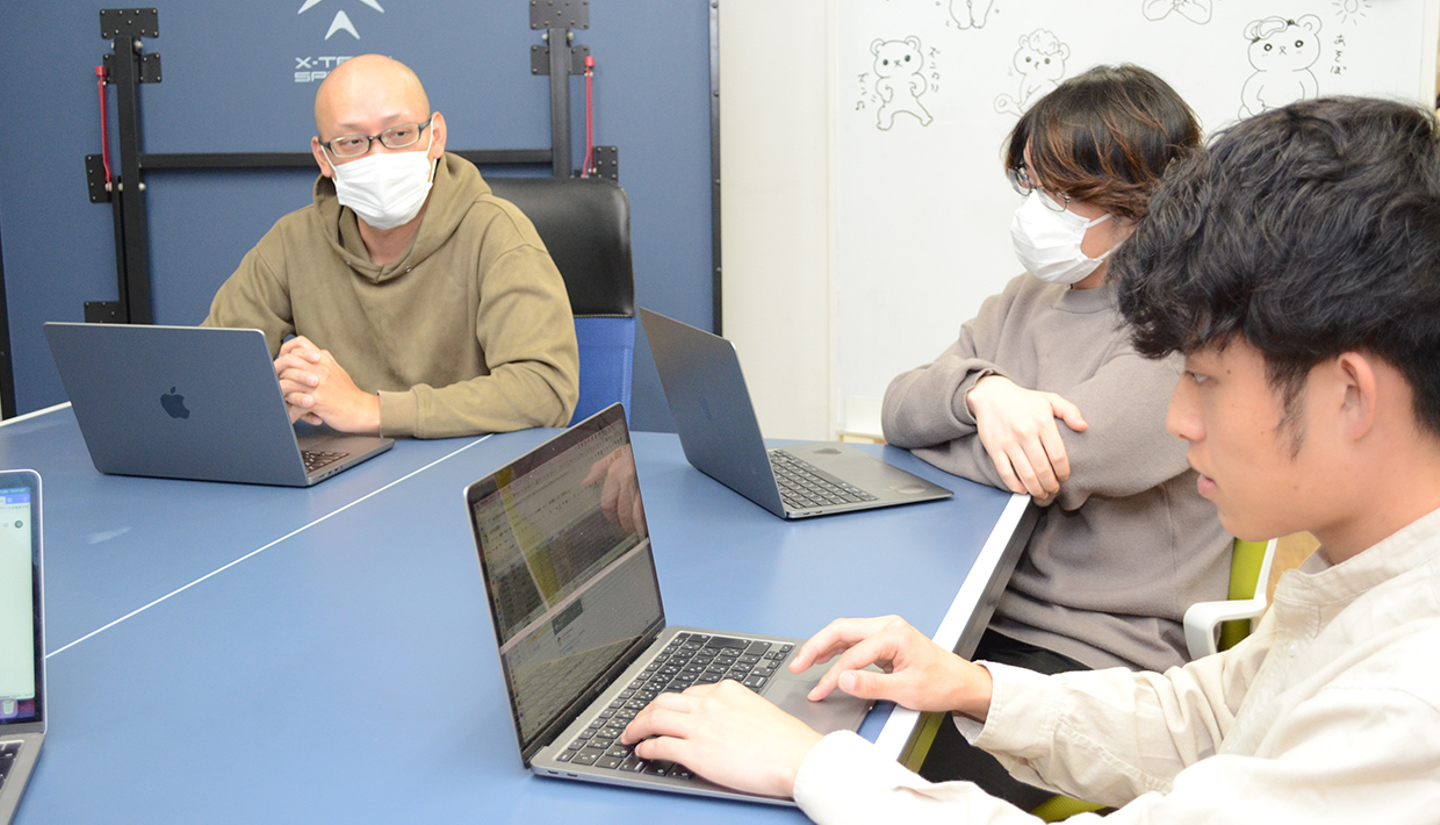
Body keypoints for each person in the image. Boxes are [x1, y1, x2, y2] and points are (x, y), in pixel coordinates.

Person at [620, 96, 1440, 821]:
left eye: (1204, 379)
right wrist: (973, 686)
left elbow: (1067, 456)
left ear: (1350, 395)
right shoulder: (1357, 585)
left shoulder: (1405, 703)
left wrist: (810, 764)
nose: (1179, 418)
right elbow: (1201, 719)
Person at [881, 65, 1229, 803]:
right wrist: (985, 393)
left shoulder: (1175, 329)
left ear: (1142, 201)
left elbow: (1052, 463)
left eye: (1065, 195)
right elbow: (899, 409)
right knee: (837, 727)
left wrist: (956, 422)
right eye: (1034, 187)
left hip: (1095, 653)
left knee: (885, 791)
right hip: (978, 616)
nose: (1039, 211)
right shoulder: (1024, 298)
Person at [204, 54, 580, 439]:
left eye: (399, 134)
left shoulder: (497, 233)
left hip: (467, 466)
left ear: (435, 136)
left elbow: (545, 389)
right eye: (352, 142)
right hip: (344, 470)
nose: (378, 156)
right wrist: (277, 392)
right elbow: (207, 371)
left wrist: (372, 410)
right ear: (324, 157)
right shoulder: (292, 242)